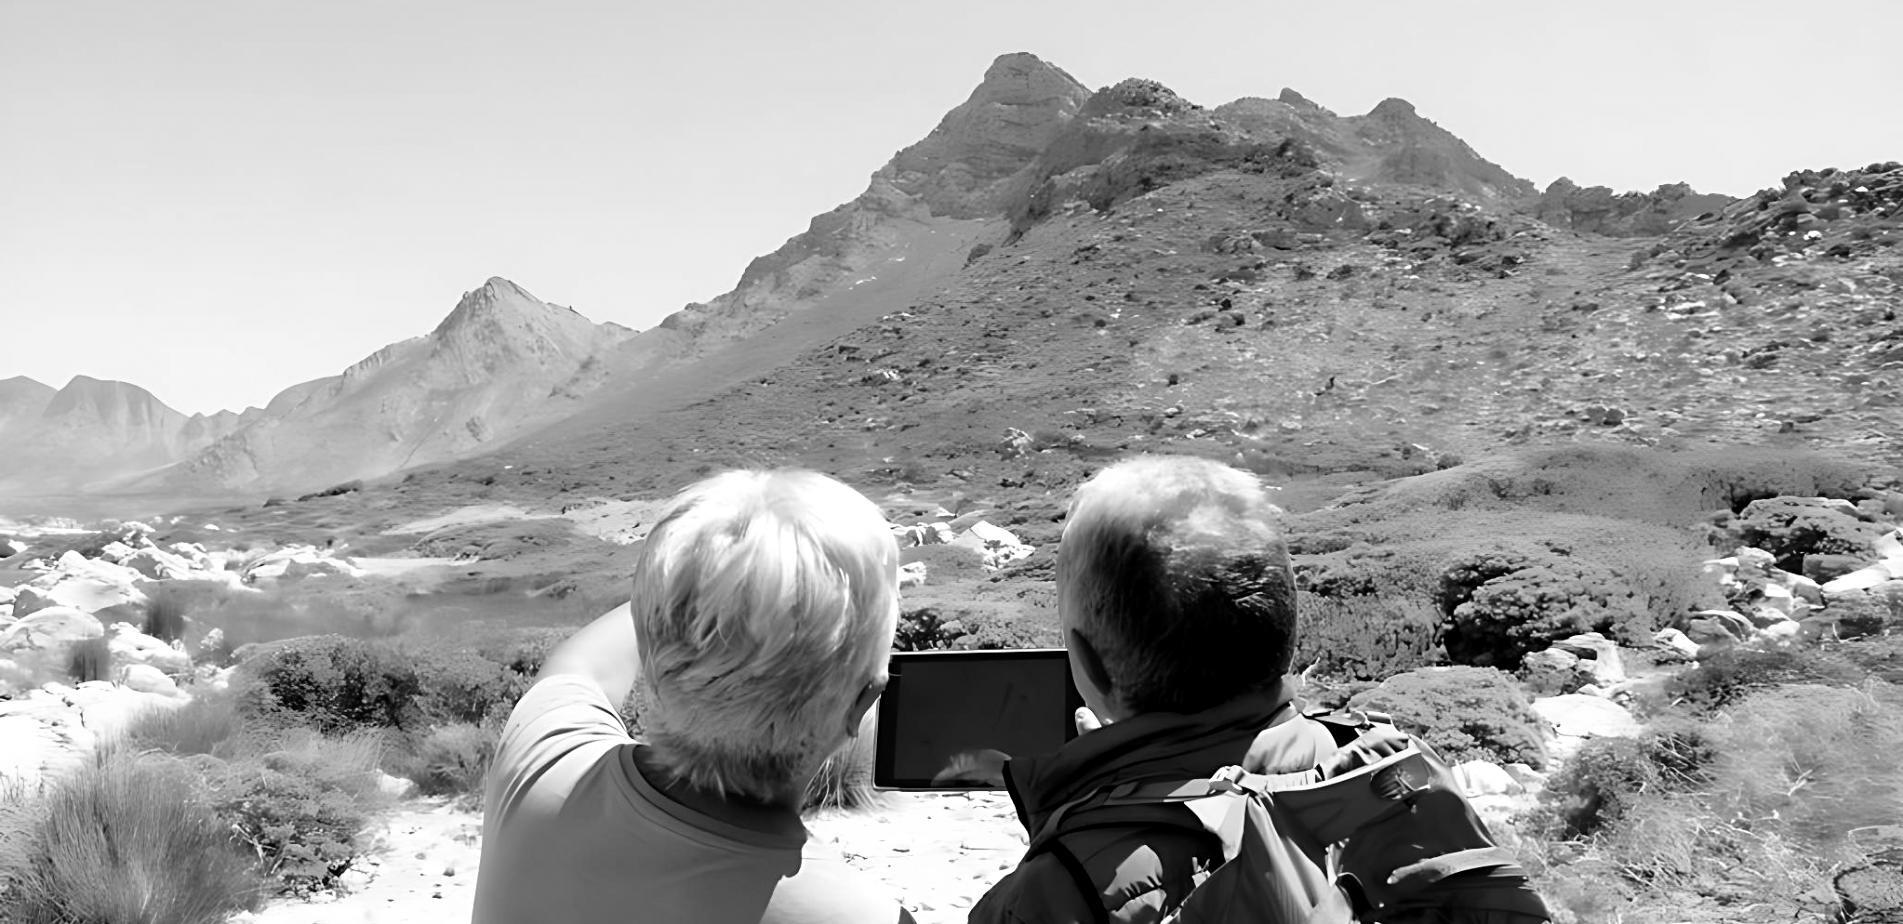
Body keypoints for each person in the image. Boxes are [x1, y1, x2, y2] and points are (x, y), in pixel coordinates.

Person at [968, 455, 1548, 924]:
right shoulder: (1402, 777)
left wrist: (1090, 813)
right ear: (1285, 635)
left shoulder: (1055, 889)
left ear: (1091, 667)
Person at [472, 469, 915, 924]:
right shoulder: (865, 916)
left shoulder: (543, 765)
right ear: (863, 703)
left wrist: (710, 582)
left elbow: (584, 661)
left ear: (651, 651)